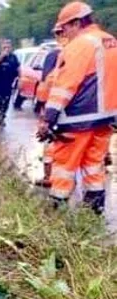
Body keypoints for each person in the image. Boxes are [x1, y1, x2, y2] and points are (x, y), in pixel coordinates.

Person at [38, 2, 117, 214]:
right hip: (106, 118)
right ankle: (94, 210)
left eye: (64, 28)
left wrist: (49, 118)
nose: (64, 34)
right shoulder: (110, 41)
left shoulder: (80, 45)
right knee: (94, 165)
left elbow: (65, 85)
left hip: (78, 118)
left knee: (63, 166)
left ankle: (56, 211)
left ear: (76, 23)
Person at [35, 29, 66, 187]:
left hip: (54, 107)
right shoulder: (83, 52)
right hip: (77, 110)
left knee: (50, 143)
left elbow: (44, 86)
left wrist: (43, 115)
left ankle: (49, 177)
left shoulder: (53, 55)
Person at [0, 38, 21, 127]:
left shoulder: (13, 57)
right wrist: (1, 57)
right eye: (4, 47)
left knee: (6, 102)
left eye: (8, 47)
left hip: (8, 84)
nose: (7, 48)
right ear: (1, 47)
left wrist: (20, 80)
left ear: (11, 47)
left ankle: (1, 119)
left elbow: (18, 68)